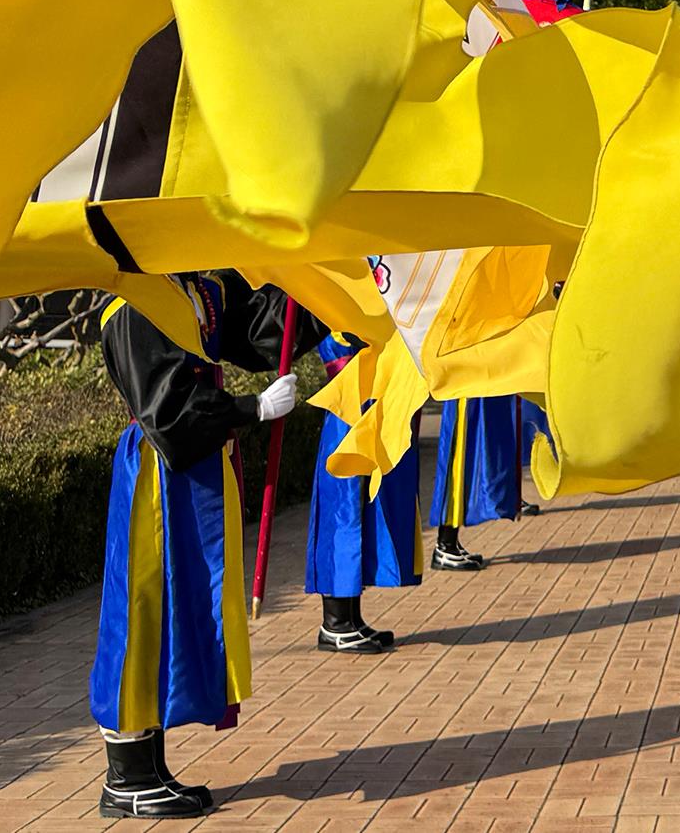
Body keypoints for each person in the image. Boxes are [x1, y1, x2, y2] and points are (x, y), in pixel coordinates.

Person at [92, 271, 309, 819]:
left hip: (197, 474)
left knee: (179, 613)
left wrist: (314, 286)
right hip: (157, 471)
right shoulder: (132, 303)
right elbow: (166, 409)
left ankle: (151, 765)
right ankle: (127, 774)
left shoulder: (198, 287)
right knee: (143, 610)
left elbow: (257, 333)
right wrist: (250, 409)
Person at [306, 331, 421, 650]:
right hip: (348, 407)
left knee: (362, 512)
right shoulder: (333, 306)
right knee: (344, 515)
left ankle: (350, 618)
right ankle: (335, 623)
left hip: (368, 403)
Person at [431, 393, 539, 571]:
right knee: (460, 463)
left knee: (468, 463)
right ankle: (445, 545)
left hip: (473, 389)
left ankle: (450, 542)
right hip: (464, 391)